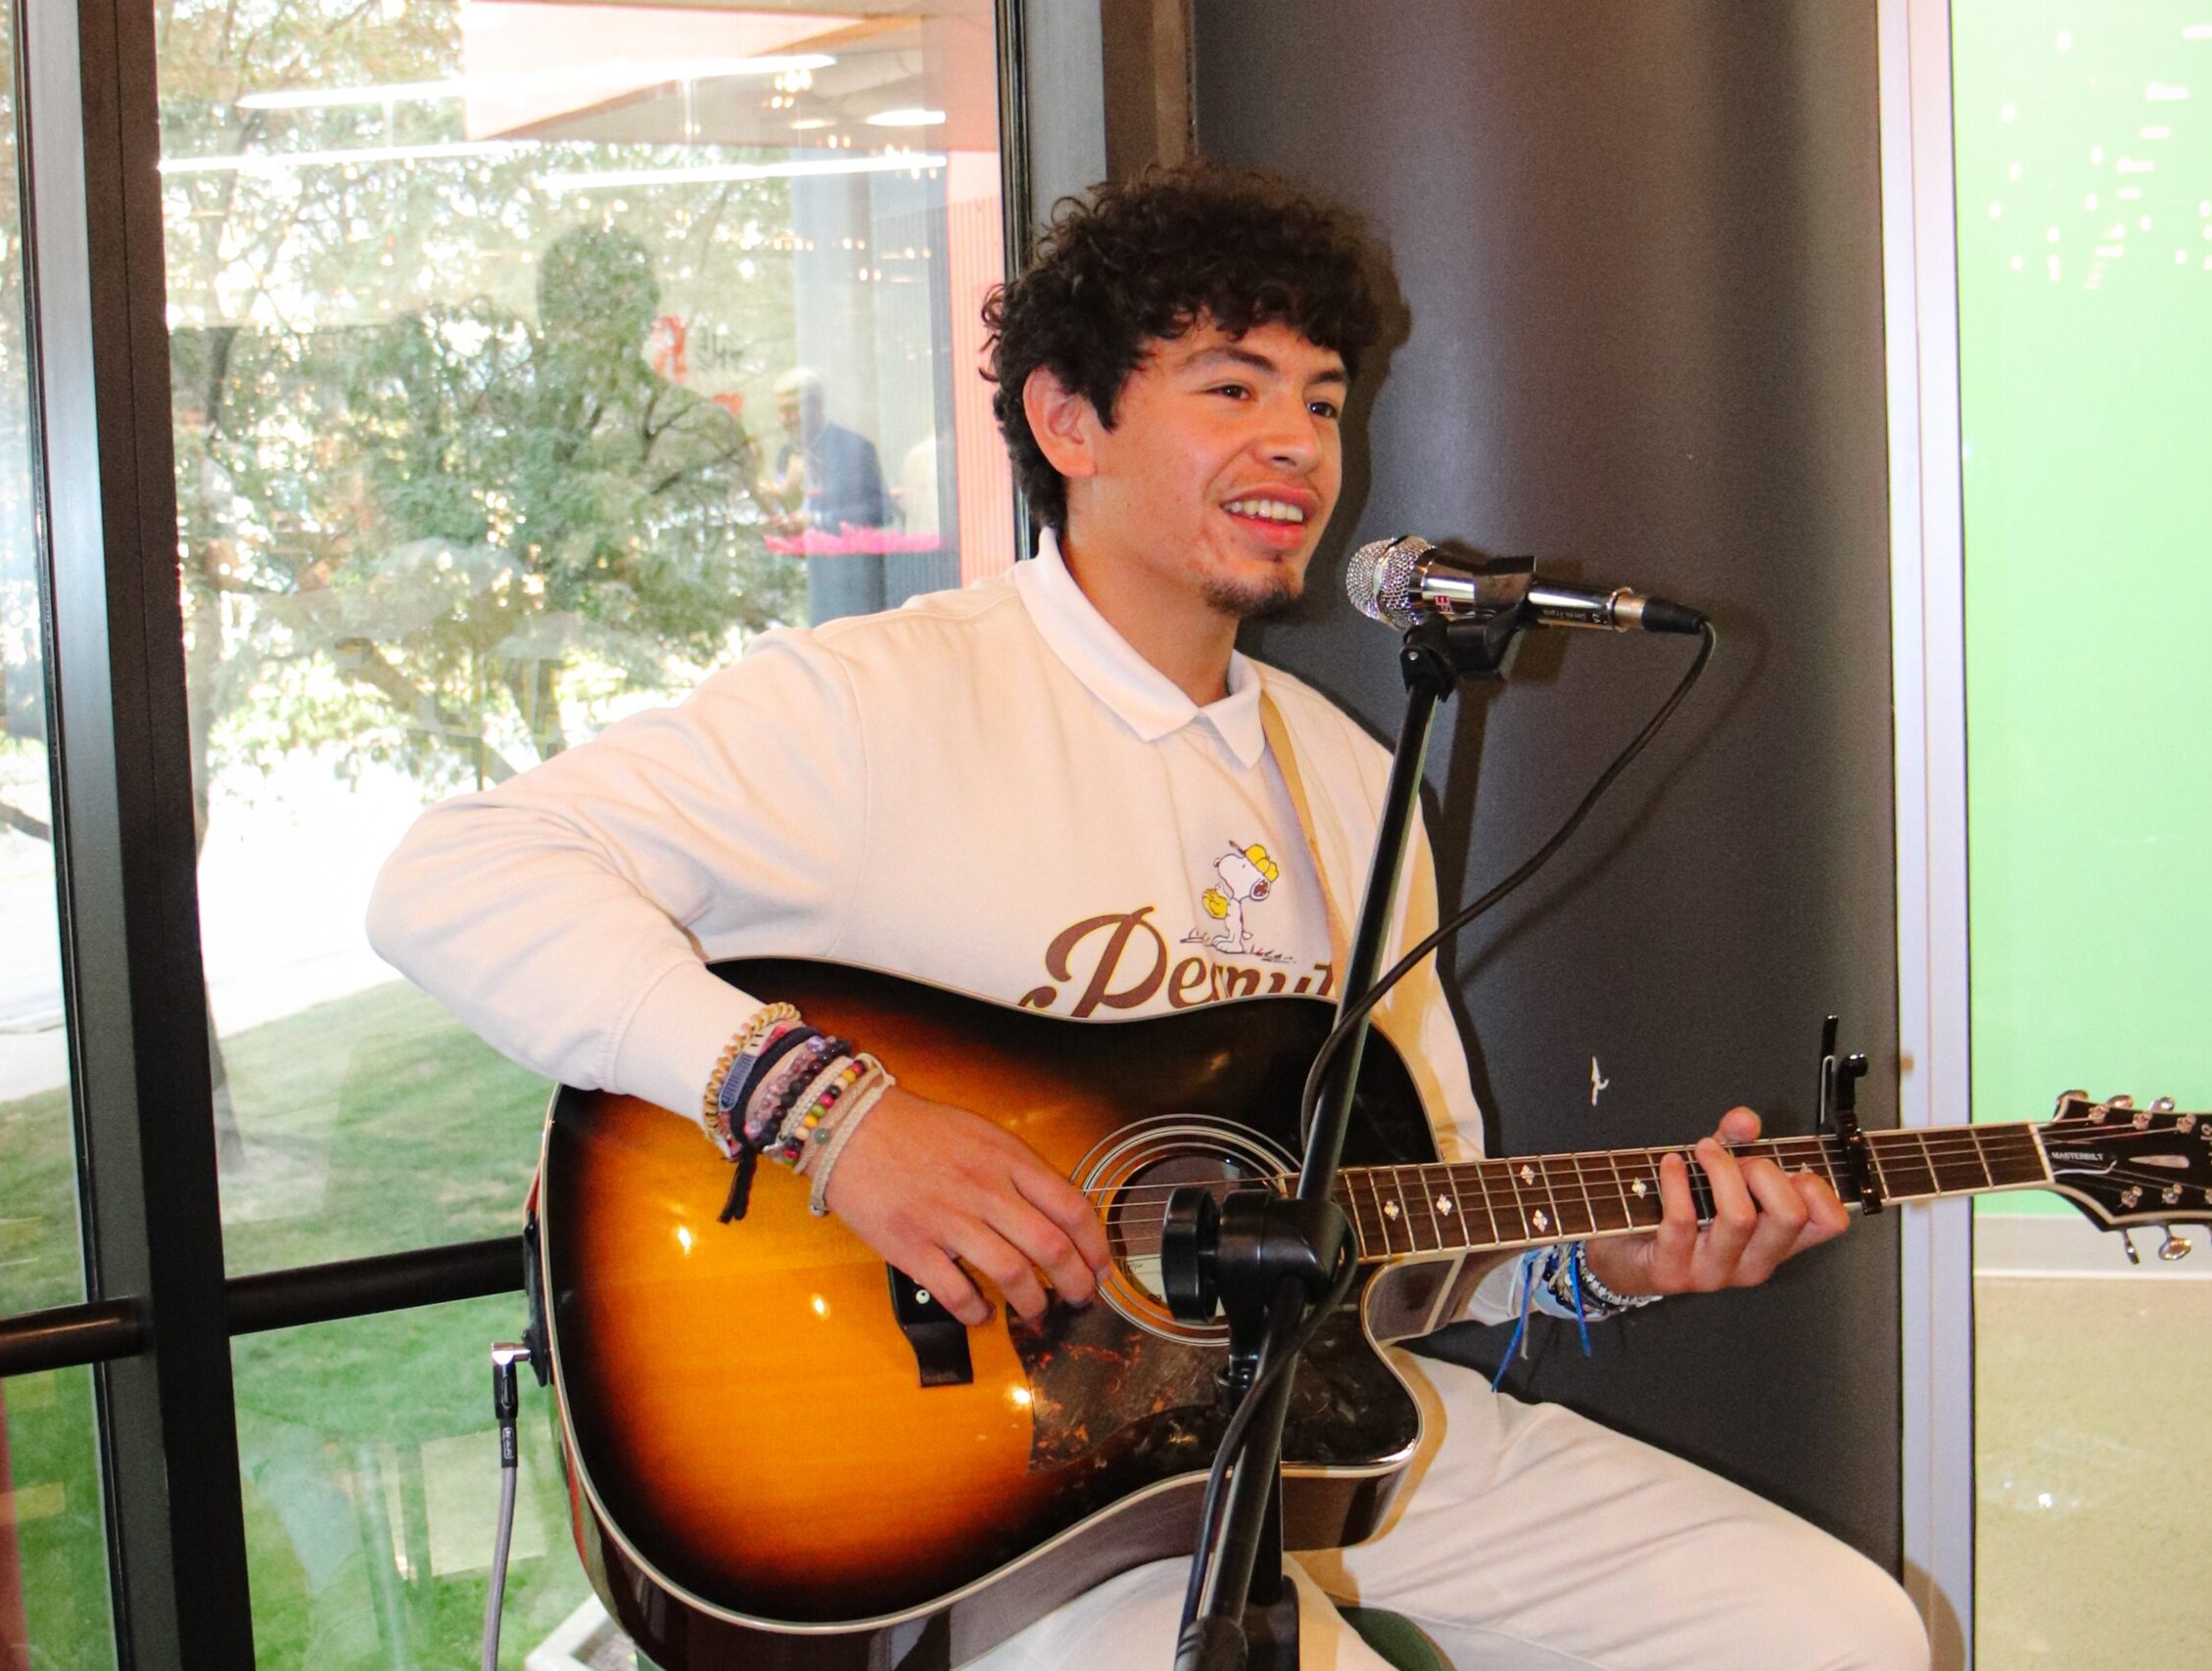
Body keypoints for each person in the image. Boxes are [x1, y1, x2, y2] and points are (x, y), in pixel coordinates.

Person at [367, 163, 1929, 1670]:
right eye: (1232, 386)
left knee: (1843, 1631)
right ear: (1070, 420)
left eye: (1323, 400)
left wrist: (1616, 1256)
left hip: (1309, 1422)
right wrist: (842, 1122)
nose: (1298, 442)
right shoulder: (879, 698)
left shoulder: (1347, 775)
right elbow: (455, 877)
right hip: (1009, 1480)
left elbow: (1401, 1206)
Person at [769, 366, 896, 623]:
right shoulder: (785, 455)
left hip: (855, 587)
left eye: (793, 409)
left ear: (816, 407)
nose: (786, 419)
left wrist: (818, 521)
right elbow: (789, 520)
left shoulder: (854, 448)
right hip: (805, 589)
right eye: (781, 411)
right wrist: (784, 501)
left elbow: (881, 511)